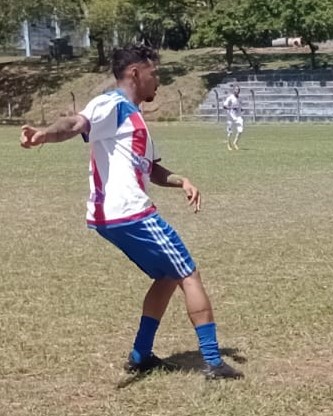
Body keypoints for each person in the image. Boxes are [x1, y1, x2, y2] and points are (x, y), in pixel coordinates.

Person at [17, 44, 244, 380]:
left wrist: (183, 181)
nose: (159, 81)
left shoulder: (135, 119)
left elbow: (152, 170)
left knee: (167, 276)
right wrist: (44, 134)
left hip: (112, 217)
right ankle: (213, 362)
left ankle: (140, 355)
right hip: (129, 212)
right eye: (155, 73)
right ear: (135, 73)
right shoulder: (112, 104)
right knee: (188, 274)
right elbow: (75, 122)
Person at [221, 85, 244, 151]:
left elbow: (239, 106)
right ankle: (229, 144)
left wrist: (241, 109)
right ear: (233, 90)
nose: (237, 91)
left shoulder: (240, 98)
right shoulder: (230, 98)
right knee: (230, 132)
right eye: (236, 89)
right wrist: (231, 108)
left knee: (240, 130)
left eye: (238, 90)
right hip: (230, 117)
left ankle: (235, 143)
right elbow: (224, 106)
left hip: (238, 116)